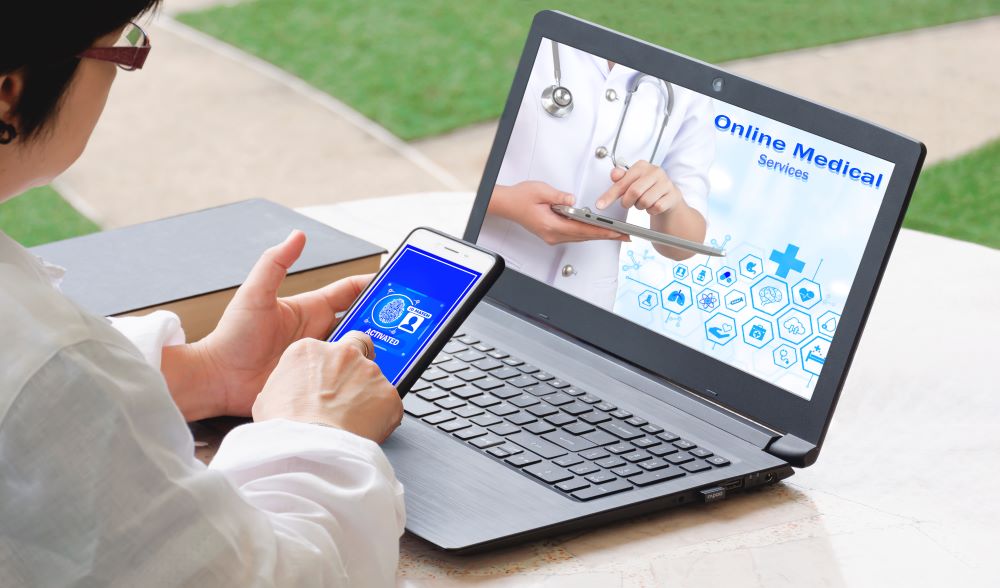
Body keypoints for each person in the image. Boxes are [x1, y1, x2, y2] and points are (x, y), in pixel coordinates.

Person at [0, 3, 406, 586]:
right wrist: (312, 430)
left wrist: (206, 371)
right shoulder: (46, 359)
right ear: (10, 90)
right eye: (119, 52)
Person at [478, 41, 715, 308]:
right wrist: (507, 203)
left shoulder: (688, 88)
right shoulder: (541, 40)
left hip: (585, 303)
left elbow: (683, 246)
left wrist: (668, 202)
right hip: (486, 276)